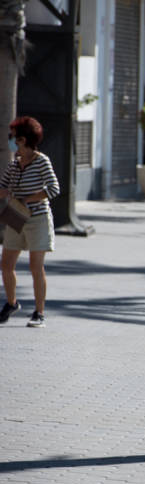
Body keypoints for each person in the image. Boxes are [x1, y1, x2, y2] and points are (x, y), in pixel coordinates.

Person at [0, 116, 60, 328]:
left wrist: (27, 198)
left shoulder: (42, 161)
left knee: (36, 267)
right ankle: (11, 303)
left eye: (13, 137)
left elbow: (54, 189)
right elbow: (3, 186)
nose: (10, 140)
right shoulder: (15, 164)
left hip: (37, 219)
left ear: (23, 139)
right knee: (6, 264)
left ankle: (39, 312)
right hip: (15, 217)